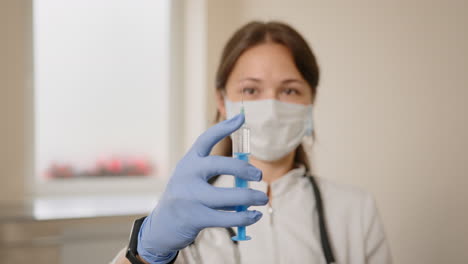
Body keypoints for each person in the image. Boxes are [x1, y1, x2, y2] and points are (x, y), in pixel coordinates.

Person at [111, 21, 392, 264]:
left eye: (290, 90)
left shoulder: (355, 209)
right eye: (251, 89)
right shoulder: (188, 209)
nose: (270, 108)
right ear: (222, 100)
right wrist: (147, 255)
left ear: (310, 101)